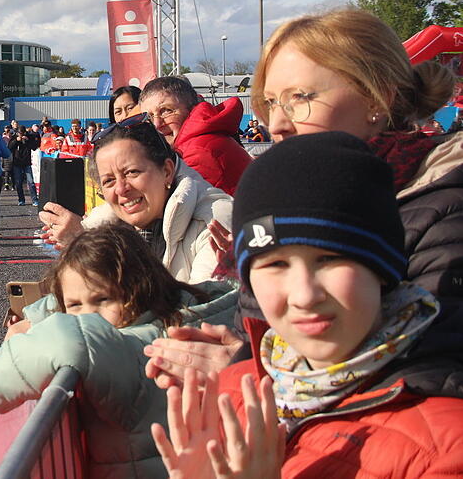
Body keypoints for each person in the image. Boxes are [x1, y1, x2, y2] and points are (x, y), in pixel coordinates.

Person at [145, 8, 461, 388]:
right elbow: (256, 338)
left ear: (378, 98)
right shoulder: (285, 198)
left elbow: (434, 376)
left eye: (299, 98)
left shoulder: (445, 204)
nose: (276, 124)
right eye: (272, 103)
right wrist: (240, 357)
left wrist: (250, 372)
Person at [152, 131, 463, 478]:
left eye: (330, 260)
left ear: (382, 267)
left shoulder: (446, 448)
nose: (304, 295)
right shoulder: (233, 390)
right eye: (275, 265)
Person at [0, 224, 238, 477]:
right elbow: (72, 305)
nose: (86, 315)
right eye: (75, 305)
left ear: (140, 289)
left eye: (102, 299)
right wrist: (36, 319)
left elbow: (76, 338)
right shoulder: (201, 308)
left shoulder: (136, 348)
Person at [40, 120, 233, 284]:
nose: (121, 189)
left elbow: (203, 315)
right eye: (109, 181)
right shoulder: (105, 225)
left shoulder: (215, 221)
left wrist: (87, 246)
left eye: (132, 172)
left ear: (166, 171)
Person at [138, 76, 251, 196]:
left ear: (191, 109)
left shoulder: (199, 152)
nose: (156, 124)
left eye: (166, 111)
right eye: (149, 116)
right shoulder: (200, 140)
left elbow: (184, 208)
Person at [7, 126, 39, 206]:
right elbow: (9, 148)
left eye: (22, 133)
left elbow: (34, 147)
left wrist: (27, 141)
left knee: (31, 182)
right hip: (17, 163)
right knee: (18, 183)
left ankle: (35, 200)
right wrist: (16, 141)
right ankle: (21, 200)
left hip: (27, 163)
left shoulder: (29, 137)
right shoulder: (14, 137)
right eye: (20, 134)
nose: (21, 135)